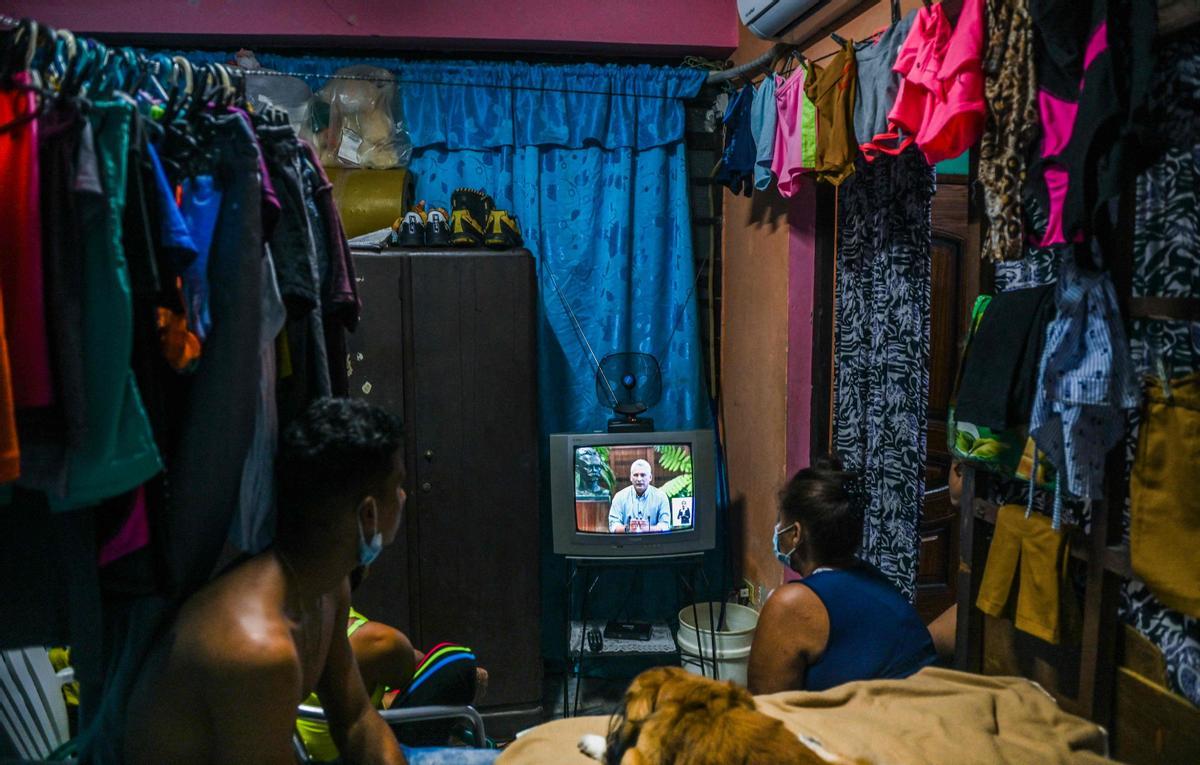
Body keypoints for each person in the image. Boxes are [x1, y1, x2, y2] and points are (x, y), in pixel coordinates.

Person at [123, 398, 412, 764]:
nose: (404, 498)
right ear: (369, 514)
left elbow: (355, 719)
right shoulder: (257, 648)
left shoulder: (327, 588)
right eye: (399, 485)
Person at [747, 457, 938, 695]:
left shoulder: (791, 604)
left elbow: (766, 708)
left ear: (795, 534)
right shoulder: (871, 576)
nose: (777, 531)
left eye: (780, 522)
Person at [607, 459, 671, 533]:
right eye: (635, 475)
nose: (639, 479)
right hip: (626, 542)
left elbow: (665, 525)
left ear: (650, 477)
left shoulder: (661, 497)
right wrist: (628, 528)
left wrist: (648, 529)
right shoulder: (619, 497)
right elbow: (613, 525)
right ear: (631, 477)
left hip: (653, 542)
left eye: (643, 475)